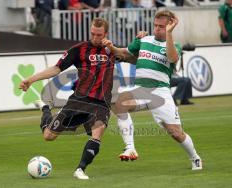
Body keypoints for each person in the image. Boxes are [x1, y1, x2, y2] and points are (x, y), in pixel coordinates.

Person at [103, 10, 202, 170]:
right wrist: (111, 46)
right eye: (155, 25)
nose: (157, 29)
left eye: (161, 26)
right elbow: (123, 53)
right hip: (140, 89)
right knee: (118, 103)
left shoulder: (173, 45)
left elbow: (172, 59)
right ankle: (130, 148)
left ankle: (195, 157)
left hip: (160, 93)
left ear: (169, 26)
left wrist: (169, 33)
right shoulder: (144, 40)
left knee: (176, 133)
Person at [20, 18, 117, 180]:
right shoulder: (79, 50)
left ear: (105, 34)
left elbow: (132, 55)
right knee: (48, 136)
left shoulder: (112, 50)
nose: (95, 37)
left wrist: (138, 39)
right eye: (92, 33)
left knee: (98, 132)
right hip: (79, 100)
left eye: (99, 34)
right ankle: (45, 108)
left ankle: (80, 169)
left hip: (101, 102)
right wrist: (31, 79)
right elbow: (56, 68)